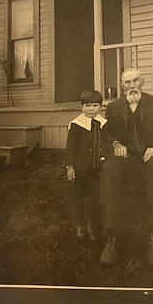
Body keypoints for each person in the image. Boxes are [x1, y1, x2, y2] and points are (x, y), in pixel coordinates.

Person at [99, 68, 153, 266]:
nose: (132, 86)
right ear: (122, 85)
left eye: (135, 81)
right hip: (124, 158)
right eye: (127, 82)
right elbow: (106, 135)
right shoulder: (114, 107)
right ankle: (111, 237)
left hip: (148, 156)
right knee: (109, 168)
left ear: (142, 82)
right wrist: (115, 144)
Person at [64, 90, 108, 241]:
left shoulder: (103, 123)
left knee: (95, 197)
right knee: (79, 196)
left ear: (101, 107)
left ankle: (91, 223)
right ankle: (80, 224)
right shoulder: (77, 125)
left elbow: (106, 143)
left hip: (97, 168)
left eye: (95, 105)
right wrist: (70, 167)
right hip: (81, 168)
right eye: (87, 105)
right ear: (81, 107)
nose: (91, 109)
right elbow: (70, 147)